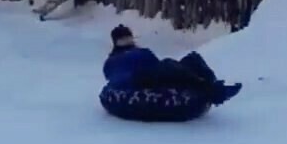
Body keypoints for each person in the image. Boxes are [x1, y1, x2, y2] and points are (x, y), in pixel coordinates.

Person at [103, 25, 241, 106]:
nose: (127, 40)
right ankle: (213, 92)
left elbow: (155, 62)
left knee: (193, 59)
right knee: (169, 64)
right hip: (138, 78)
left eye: (128, 36)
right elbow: (114, 77)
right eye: (123, 38)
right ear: (116, 42)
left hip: (154, 72)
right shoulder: (114, 59)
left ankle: (213, 84)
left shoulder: (141, 51)